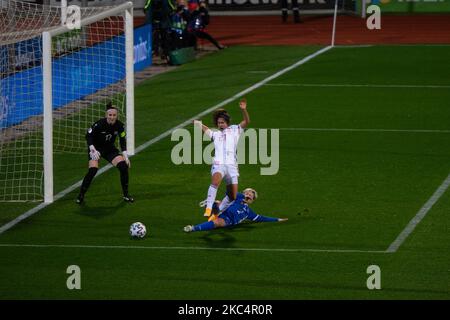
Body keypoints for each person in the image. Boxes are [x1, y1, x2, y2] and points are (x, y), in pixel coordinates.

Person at [194, 98, 250, 221]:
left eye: (222, 122)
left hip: (232, 166)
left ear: (227, 122)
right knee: (215, 182)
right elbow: (206, 129)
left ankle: (216, 212)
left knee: (232, 196)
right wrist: (197, 123)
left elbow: (246, 121)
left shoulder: (235, 129)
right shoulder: (216, 134)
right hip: (219, 164)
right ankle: (208, 208)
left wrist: (244, 110)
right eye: (218, 123)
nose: (220, 125)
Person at [76, 102, 133, 204]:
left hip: (109, 149)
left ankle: (126, 195)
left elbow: (122, 139)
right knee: (93, 170)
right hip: (96, 149)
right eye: (110, 115)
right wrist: (92, 148)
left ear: (117, 116)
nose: (112, 117)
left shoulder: (120, 125)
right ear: (106, 115)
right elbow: (88, 136)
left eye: (114, 115)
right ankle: (81, 195)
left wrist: (125, 155)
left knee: (123, 167)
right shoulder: (99, 124)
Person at [184, 188, 288, 232]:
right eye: (247, 193)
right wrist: (239, 196)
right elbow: (229, 192)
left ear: (252, 200)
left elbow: (261, 218)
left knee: (216, 222)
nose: (248, 194)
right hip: (222, 210)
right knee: (222, 203)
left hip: (227, 220)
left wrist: (277, 219)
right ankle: (212, 204)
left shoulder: (248, 212)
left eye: (251, 195)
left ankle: (193, 228)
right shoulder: (237, 197)